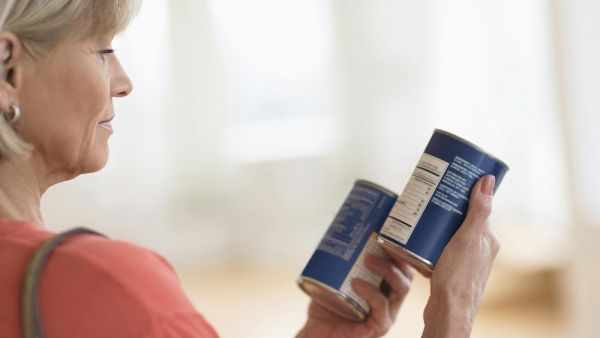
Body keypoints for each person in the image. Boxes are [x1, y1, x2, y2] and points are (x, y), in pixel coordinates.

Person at [0, 1, 500, 337]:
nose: (123, 81)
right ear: (8, 67)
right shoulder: (100, 283)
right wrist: (452, 313)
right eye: (103, 49)